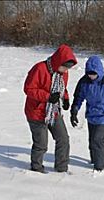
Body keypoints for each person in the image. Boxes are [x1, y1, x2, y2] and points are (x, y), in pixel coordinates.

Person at [23, 44, 77, 173]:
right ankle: (36, 168)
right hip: (36, 112)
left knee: (63, 139)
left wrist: (66, 98)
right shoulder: (39, 69)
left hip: (54, 111)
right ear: (58, 61)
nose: (65, 70)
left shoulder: (63, 73)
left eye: (68, 68)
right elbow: (29, 89)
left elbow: (61, 88)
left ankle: (62, 168)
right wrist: (47, 97)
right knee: (41, 144)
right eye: (64, 66)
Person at [70, 56, 104, 172]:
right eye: (89, 74)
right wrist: (74, 112)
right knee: (91, 141)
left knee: (97, 140)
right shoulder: (84, 81)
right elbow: (78, 97)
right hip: (91, 114)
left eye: (93, 74)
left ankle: (99, 167)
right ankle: (94, 160)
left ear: (99, 71)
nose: (91, 76)